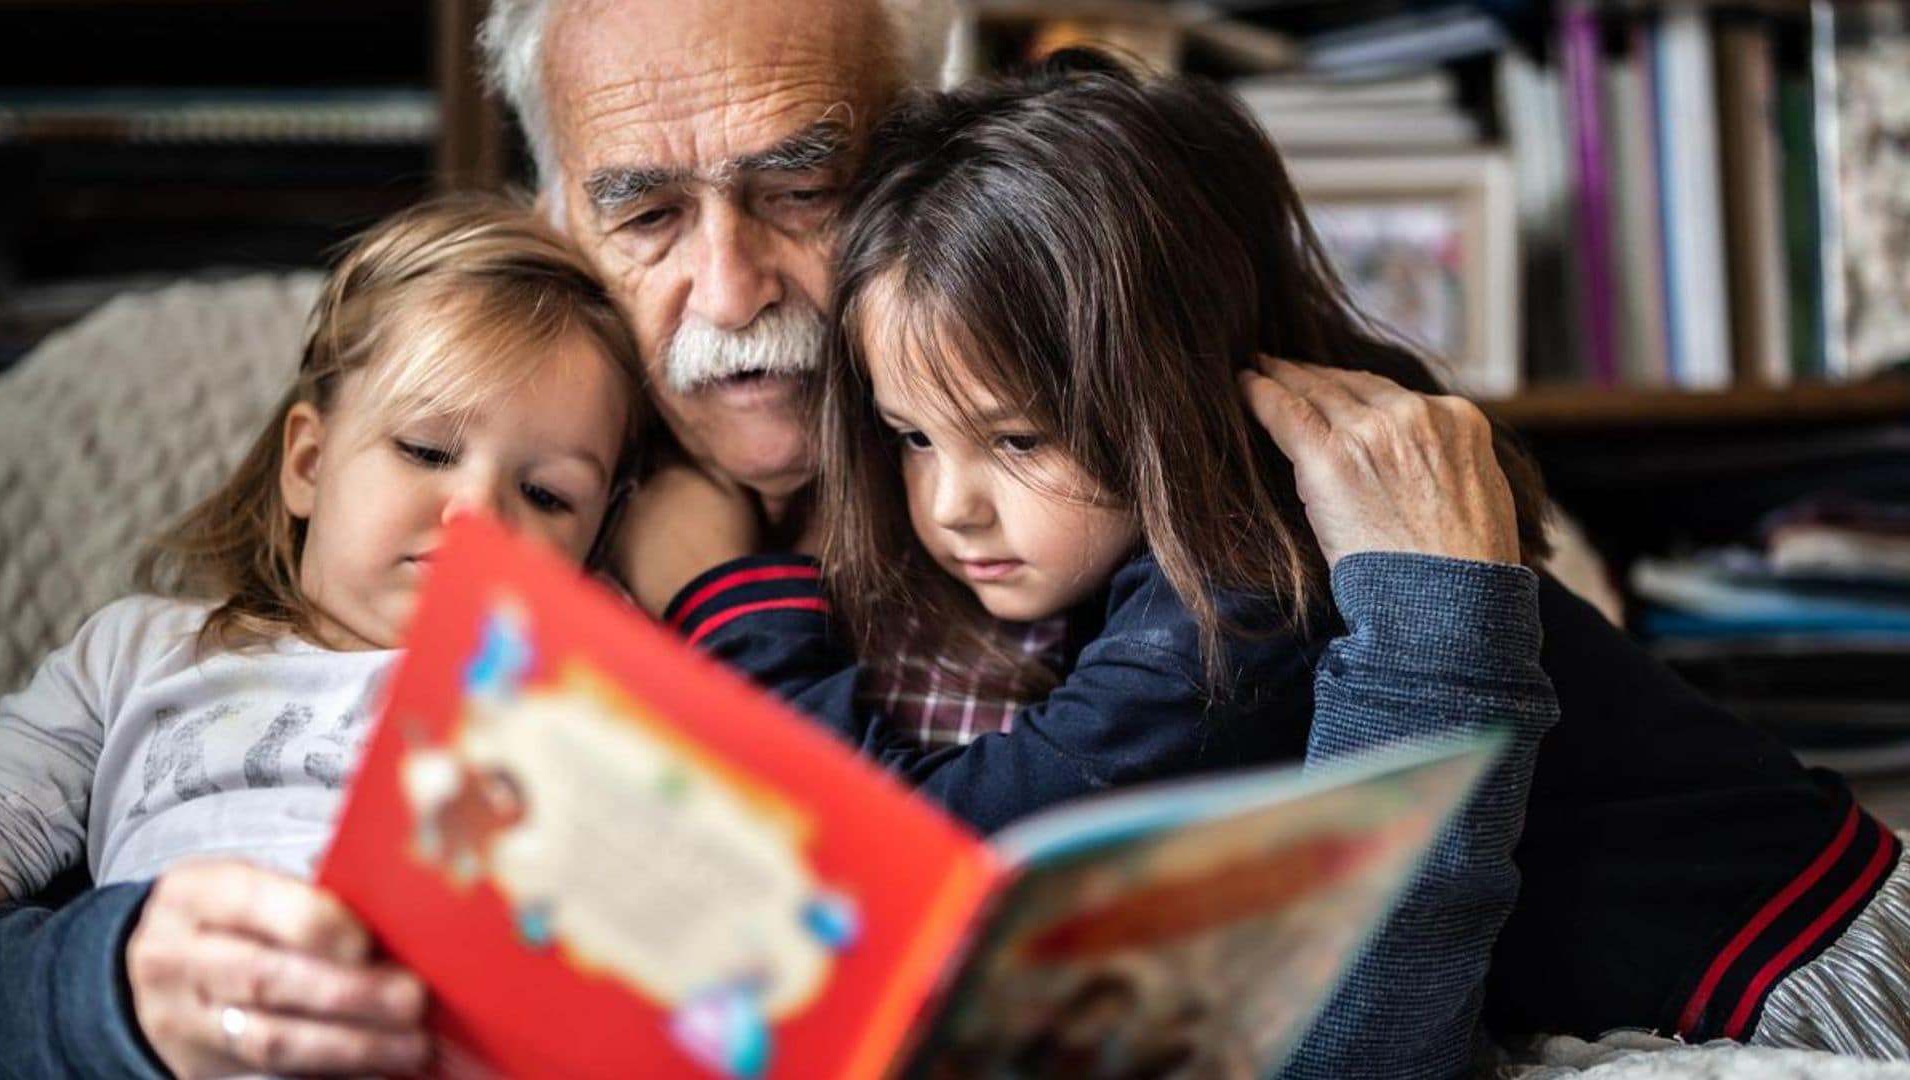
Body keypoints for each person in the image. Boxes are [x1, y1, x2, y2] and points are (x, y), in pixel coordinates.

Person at [622, 52, 1910, 1073]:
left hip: (1806, 999)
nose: (949, 505)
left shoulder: (1249, 584)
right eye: (910, 436)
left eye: (1016, 440)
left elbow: (924, 859)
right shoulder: (1197, 548)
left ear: (1173, 391)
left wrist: (732, 598)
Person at [0, 195, 648, 1078]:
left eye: (549, 497)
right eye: (423, 450)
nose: (479, 516)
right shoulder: (137, 653)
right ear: (308, 464)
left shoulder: (581, 685)